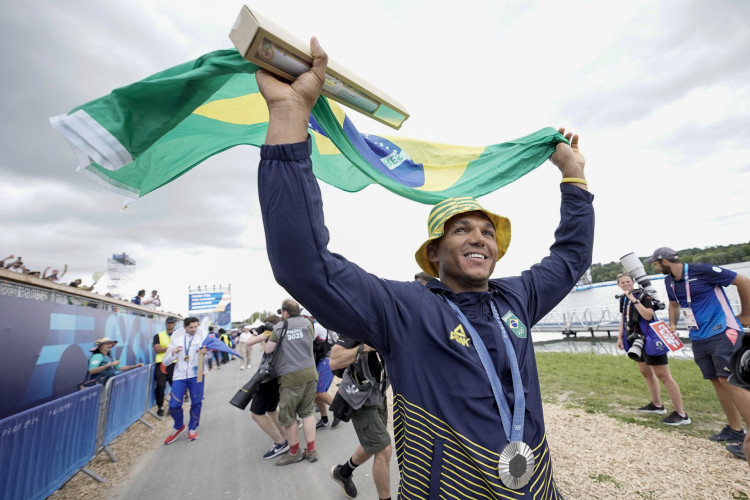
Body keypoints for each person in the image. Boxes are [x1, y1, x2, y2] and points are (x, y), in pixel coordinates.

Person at [254, 38, 593, 496]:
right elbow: (305, 265)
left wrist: (574, 177)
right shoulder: (403, 308)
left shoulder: (517, 298)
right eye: (462, 231)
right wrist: (291, 116)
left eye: (488, 232)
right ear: (433, 254)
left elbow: (571, 257)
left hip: (537, 487)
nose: (479, 238)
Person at [646, 247, 750, 462]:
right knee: (716, 380)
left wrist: (747, 314)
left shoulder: (701, 270)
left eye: (655, 263)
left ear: (665, 261)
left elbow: (743, 281)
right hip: (699, 336)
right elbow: (674, 303)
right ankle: (735, 429)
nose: (655, 267)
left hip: (723, 330)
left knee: (730, 380)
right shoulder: (669, 282)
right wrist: (672, 324)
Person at [616, 273, 690, 425]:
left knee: (663, 375)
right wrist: (619, 336)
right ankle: (657, 405)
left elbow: (649, 315)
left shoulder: (644, 296)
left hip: (651, 339)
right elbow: (623, 318)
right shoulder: (623, 299)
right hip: (636, 339)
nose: (625, 284)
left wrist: (634, 299)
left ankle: (681, 414)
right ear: (618, 285)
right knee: (645, 372)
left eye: (628, 281)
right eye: (622, 282)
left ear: (633, 282)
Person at [329, 336, 391, 500]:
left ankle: (343, 472)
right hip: (360, 399)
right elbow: (334, 361)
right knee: (383, 449)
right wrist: (364, 347)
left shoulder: (391, 325)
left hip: (379, 395)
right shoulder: (355, 327)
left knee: (373, 443)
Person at [264, 299, 319, 465]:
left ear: (285, 312)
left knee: (288, 417)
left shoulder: (280, 326)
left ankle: (294, 452)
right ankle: (311, 450)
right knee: (307, 413)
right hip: (310, 371)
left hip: (290, 375)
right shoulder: (308, 323)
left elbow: (268, 350)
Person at [245, 314, 290, 459]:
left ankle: (280, 442)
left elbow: (249, 342)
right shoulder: (284, 332)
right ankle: (286, 437)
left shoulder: (270, 332)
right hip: (278, 376)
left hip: (267, 378)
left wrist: (258, 333)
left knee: (256, 414)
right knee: (271, 409)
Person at [161, 317, 209, 444]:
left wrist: (206, 353)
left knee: (196, 402)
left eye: (195, 327)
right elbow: (165, 361)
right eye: (191, 327)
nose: (194, 329)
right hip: (179, 375)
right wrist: (173, 353)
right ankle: (178, 426)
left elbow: (208, 356)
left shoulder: (202, 336)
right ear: (185, 327)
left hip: (197, 373)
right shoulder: (176, 337)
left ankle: (192, 428)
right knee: (174, 405)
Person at [153, 316, 178, 417]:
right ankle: (160, 407)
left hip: (175, 363)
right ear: (165, 324)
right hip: (161, 363)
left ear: (175, 324)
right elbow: (157, 350)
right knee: (160, 385)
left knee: (176, 386)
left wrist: (166, 348)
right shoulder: (158, 335)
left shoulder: (179, 335)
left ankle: (173, 406)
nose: (170, 324)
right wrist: (172, 348)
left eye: (172, 323)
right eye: (168, 323)